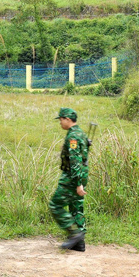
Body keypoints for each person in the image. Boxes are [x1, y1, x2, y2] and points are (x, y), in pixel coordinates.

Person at [49, 107, 89, 252]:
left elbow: (75, 160)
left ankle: (74, 234)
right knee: (76, 206)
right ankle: (79, 243)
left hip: (72, 176)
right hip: (82, 174)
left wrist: (78, 184)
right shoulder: (81, 133)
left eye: (61, 119)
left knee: (55, 205)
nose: (60, 122)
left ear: (67, 119)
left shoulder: (73, 136)